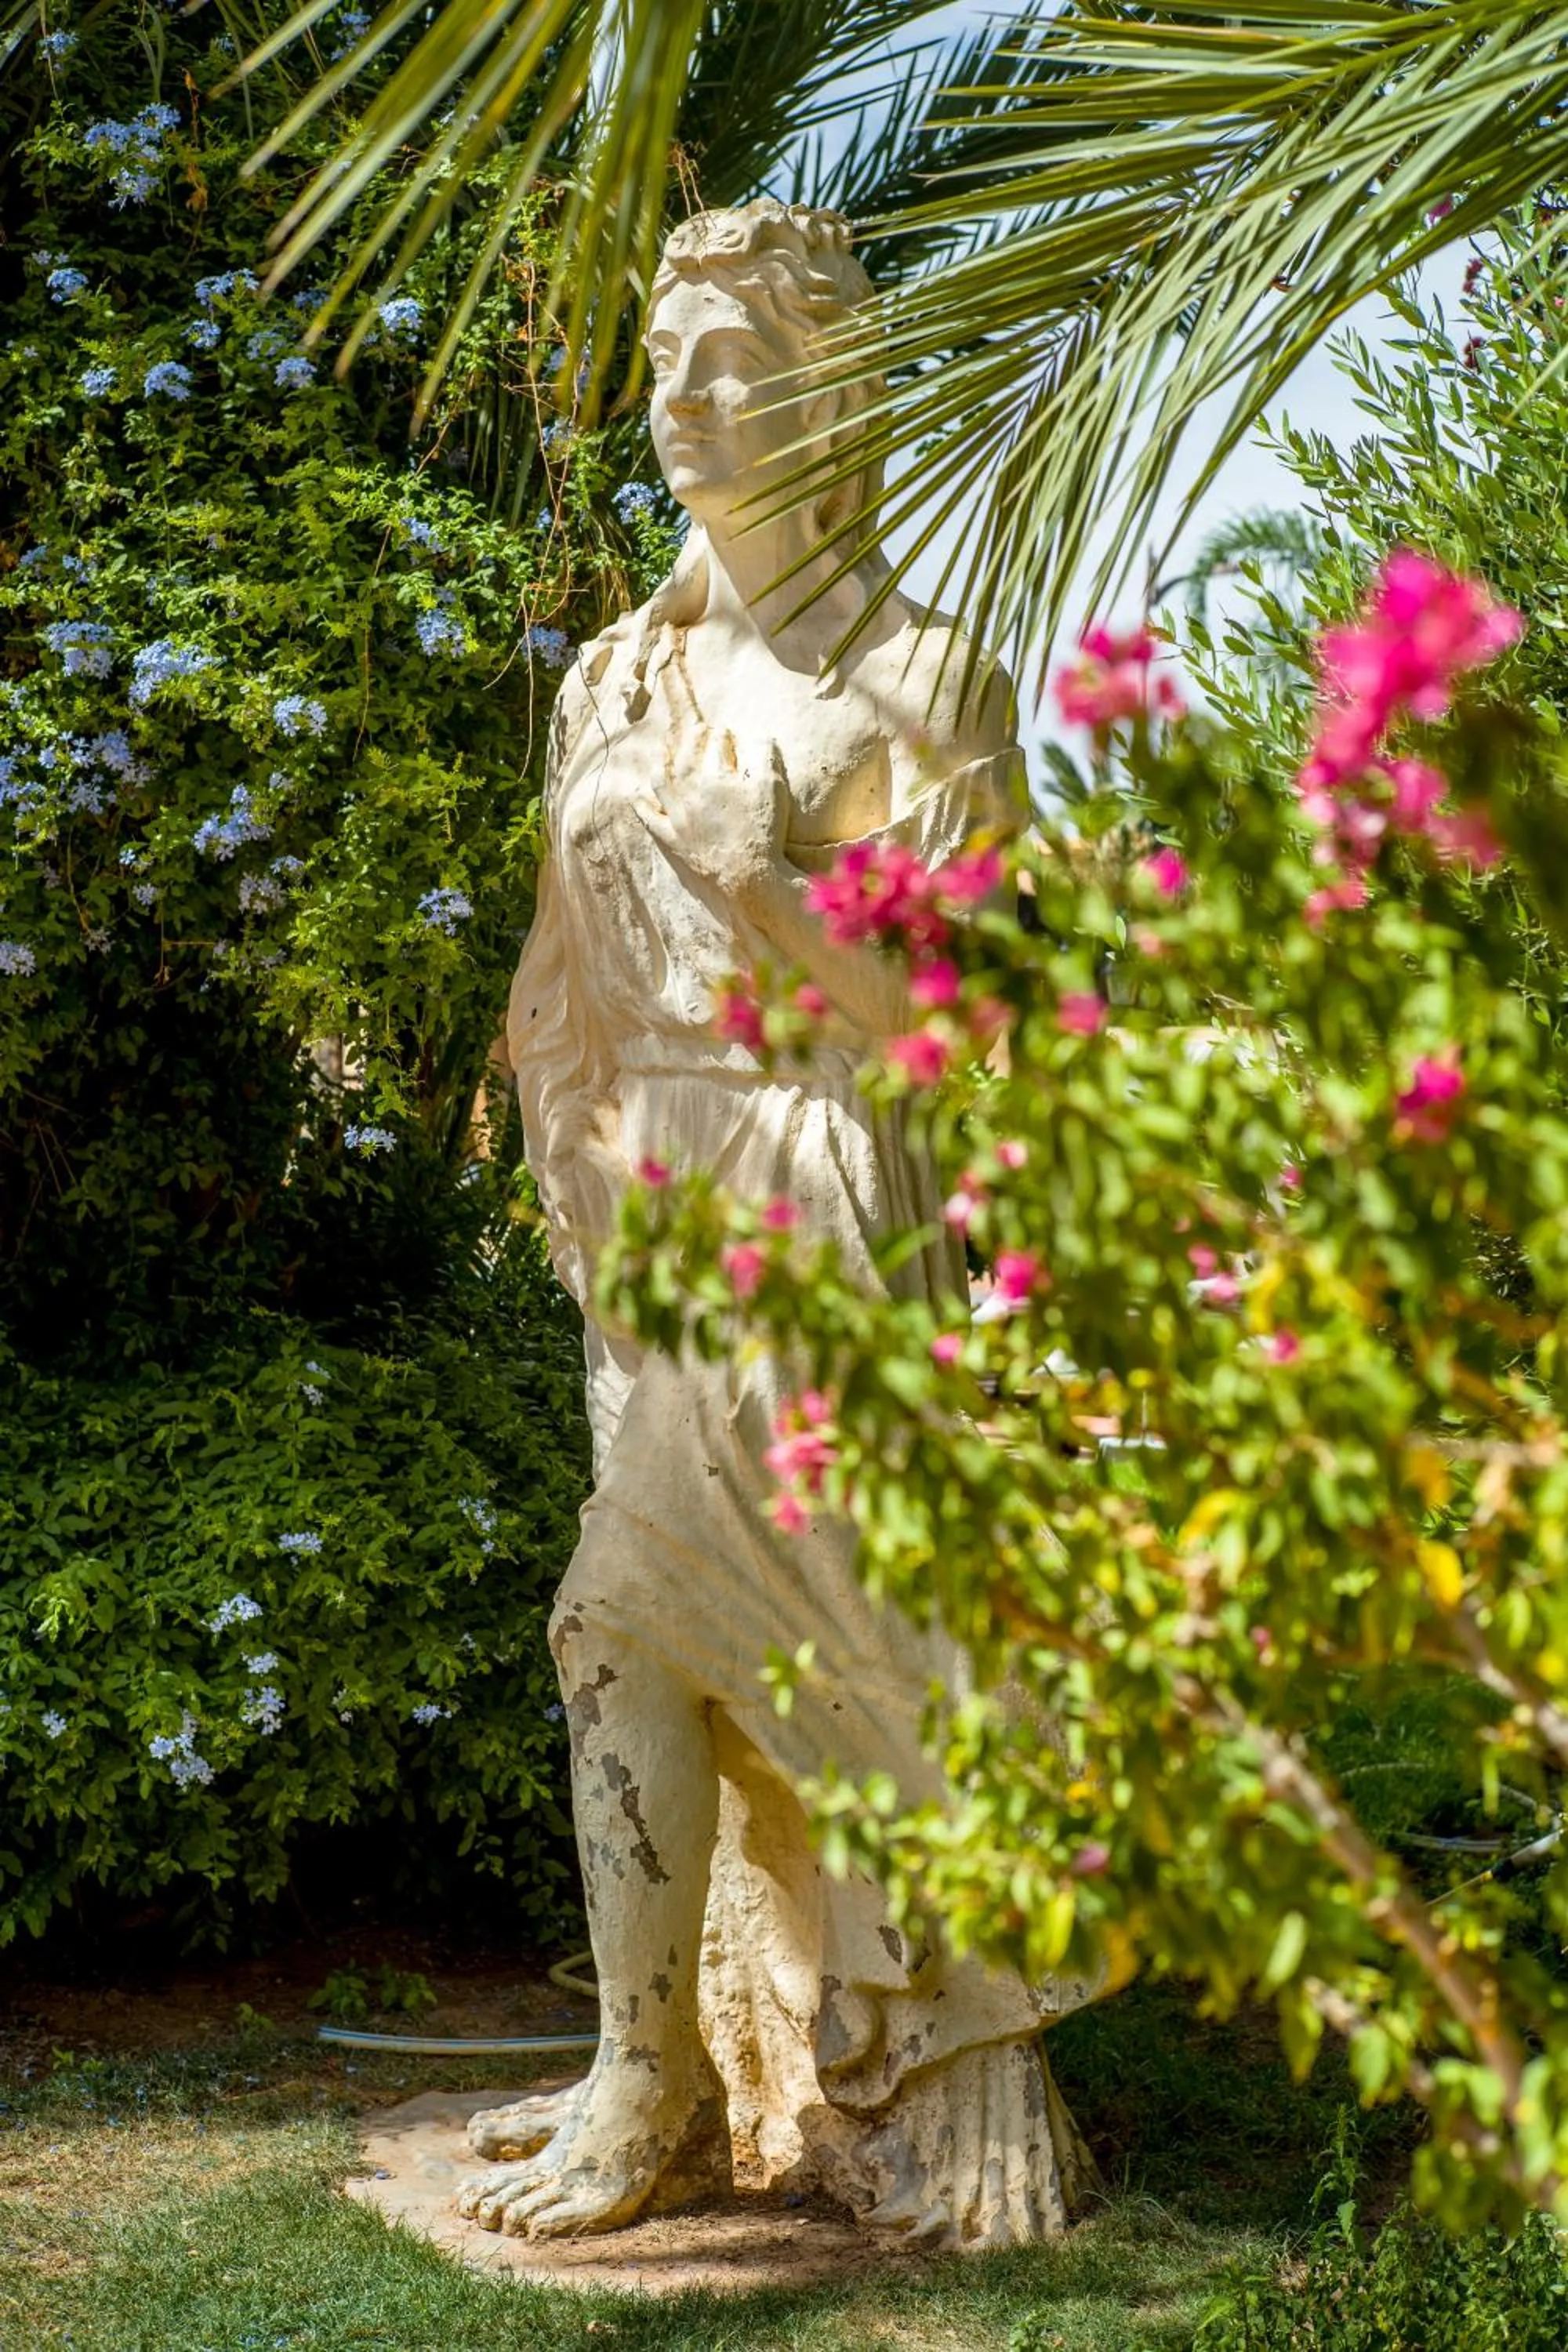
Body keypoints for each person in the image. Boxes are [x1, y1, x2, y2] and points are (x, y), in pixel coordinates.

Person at [458, 198, 1091, 2246]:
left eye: (738, 367)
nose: (689, 402)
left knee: (682, 1629)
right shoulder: (619, 674)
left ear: (831, 400)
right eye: (670, 364)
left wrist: (767, 890)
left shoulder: (923, 676)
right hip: (646, 1213)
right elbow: (563, 971)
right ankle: (698, 2069)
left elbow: (962, 1025)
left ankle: (723, 2085)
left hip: (818, 1191)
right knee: (692, 1646)